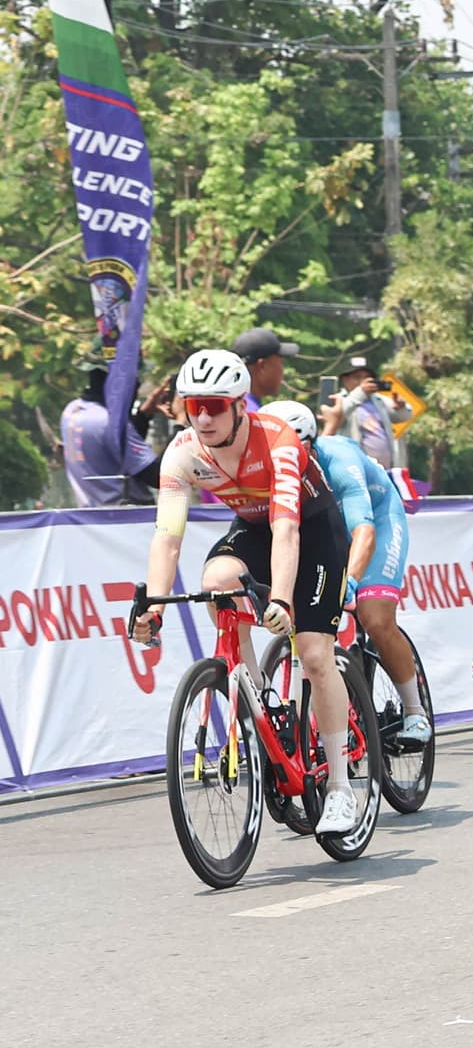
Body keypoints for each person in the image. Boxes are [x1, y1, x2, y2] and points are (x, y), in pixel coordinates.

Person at [130, 350, 362, 834]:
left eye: (215, 406)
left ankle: (341, 788)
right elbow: (167, 537)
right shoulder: (183, 452)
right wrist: (153, 607)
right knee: (216, 581)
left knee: (314, 653)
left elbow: (287, 529)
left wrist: (280, 599)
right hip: (254, 530)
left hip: (313, 531)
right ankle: (262, 701)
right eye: (193, 406)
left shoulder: (276, 440)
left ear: (240, 406)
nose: (203, 417)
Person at [268, 400, 431, 746]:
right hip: (327, 526)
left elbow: (364, 533)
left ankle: (415, 711)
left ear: (309, 446)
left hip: (378, 519)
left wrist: (351, 582)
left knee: (374, 617)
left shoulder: (340, 462)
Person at [61, 360, 161, 506]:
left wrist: (143, 416)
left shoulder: (72, 411)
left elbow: (115, 450)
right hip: (129, 515)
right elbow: (159, 477)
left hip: (93, 513)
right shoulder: (110, 423)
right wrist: (181, 423)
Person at [320, 357, 412, 469]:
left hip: (384, 469)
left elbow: (404, 417)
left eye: (367, 378)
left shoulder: (378, 400)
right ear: (345, 380)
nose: (363, 382)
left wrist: (401, 407)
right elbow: (337, 415)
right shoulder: (338, 400)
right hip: (354, 466)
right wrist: (360, 392)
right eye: (357, 377)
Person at [230, 327, 298, 407]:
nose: (282, 370)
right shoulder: (248, 410)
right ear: (262, 366)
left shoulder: (231, 403)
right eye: (280, 362)